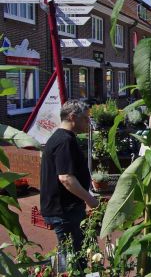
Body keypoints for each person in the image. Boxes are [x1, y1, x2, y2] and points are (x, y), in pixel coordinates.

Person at [41, 100, 98, 256]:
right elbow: (65, 178)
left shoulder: (61, 137)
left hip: (63, 209)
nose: (88, 123)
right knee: (73, 257)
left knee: (69, 253)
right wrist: (90, 199)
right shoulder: (64, 141)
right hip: (64, 211)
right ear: (73, 117)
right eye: (86, 118)